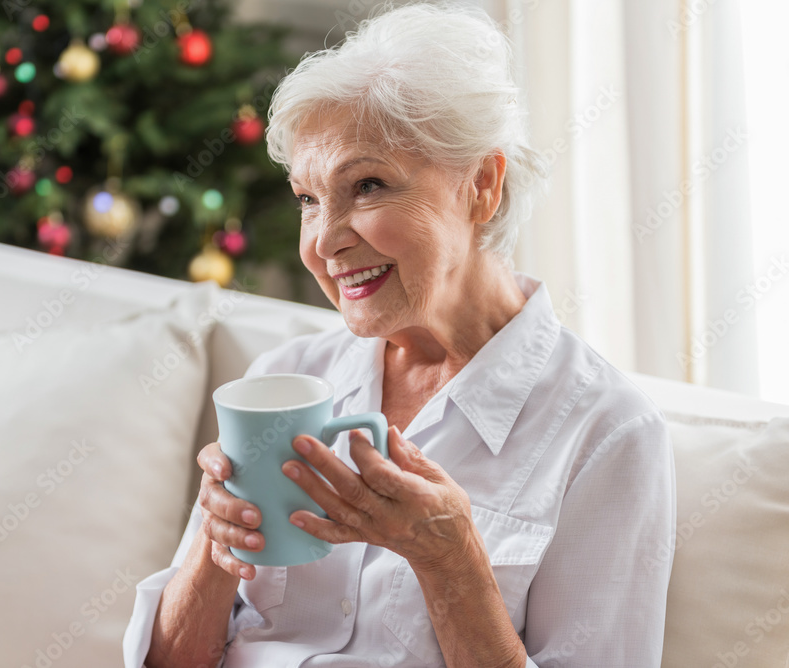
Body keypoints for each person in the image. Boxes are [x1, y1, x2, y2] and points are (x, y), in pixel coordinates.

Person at [123, 3, 676, 666]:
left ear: (482, 185)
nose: (324, 240)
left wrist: (451, 561)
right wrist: (217, 548)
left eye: (368, 185)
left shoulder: (606, 434)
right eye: (307, 198)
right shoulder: (288, 378)